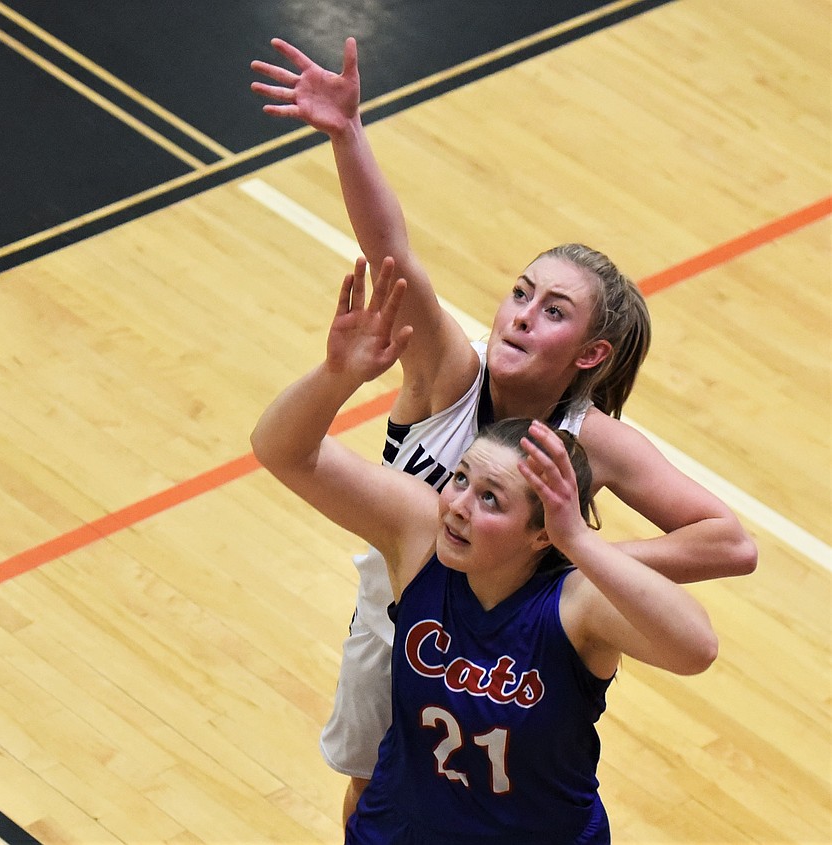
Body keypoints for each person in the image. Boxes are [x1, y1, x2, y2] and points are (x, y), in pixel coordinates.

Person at [251, 36, 757, 826]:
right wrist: (349, 137)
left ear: (590, 352)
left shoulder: (594, 439)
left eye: (553, 310)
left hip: (509, 635)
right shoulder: (451, 370)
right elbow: (393, 257)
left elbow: (731, 543)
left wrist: (563, 563)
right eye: (521, 292)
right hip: (399, 614)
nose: (522, 312)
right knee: (374, 783)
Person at [250, 257, 719, 843]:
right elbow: (282, 449)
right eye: (461, 479)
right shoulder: (421, 535)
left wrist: (581, 544)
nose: (460, 506)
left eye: (492, 500)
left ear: (542, 531)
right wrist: (336, 376)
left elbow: (696, 648)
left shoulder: (576, 604)